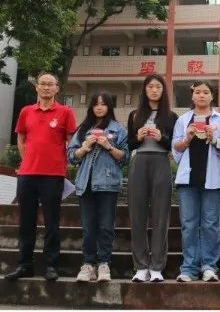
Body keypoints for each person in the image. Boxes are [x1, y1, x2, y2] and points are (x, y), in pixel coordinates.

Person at [5, 72, 77, 282]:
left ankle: (51, 265)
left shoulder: (65, 112)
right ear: (36, 87)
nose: (46, 87)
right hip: (27, 175)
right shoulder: (26, 111)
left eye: (50, 84)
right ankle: (24, 264)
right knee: (26, 222)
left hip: (53, 175)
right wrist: (26, 160)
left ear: (57, 88)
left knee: (51, 223)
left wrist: (63, 163)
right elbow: (21, 138)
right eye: (43, 84)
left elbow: (71, 142)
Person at [67, 92, 129, 282]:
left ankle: (103, 263)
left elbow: (125, 157)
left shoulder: (118, 129)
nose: (99, 107)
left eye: (103, 104)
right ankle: (88, 264)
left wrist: (108, 146)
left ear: (109, 107)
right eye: (96, 104)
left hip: (108, 184)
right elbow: (71, 156)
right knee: (88, 227)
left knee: (105, 226)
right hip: (85, 183)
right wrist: (85, 146)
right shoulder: (83, 129)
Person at [172, 81, 220, 282]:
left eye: (206, 92)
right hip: (187, 179)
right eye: (198, 92)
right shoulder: (183, 120)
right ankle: (189, 268)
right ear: (192, 96)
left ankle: (209, 267)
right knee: (188, 225)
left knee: (210, 224)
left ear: (212, 96)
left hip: (212, 179)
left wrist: (214, 139)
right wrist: (187, 138)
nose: (202, 95)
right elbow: (175, 149)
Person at [127, 73, 177, 282]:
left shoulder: (171, 116)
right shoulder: (135, 115)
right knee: (137, 214)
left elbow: (173, 145)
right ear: (144, 90)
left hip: (161, 162)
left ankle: (157, 266)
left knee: (161, 215)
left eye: (158, 86)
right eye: (150, 87)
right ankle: (140, 266)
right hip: (139, 161)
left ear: (163, 90)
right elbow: (129, 144)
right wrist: (138, 137)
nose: (154, 90)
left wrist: (161, 137)